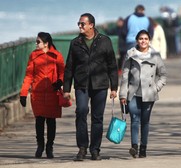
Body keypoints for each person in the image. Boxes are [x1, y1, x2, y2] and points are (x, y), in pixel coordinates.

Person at [63, 13, 118, 161]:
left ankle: (95, 149)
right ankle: (82, 148)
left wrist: (114, 87)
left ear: (91, 25)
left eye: (82, 24)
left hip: (100, 85)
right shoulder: (75, 43)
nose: (80, 26)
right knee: (81, 112)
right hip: (82, 84)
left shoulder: (104, 41)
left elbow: (112, 65)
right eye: (79, 24)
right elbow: (69, 67)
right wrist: (66, 89)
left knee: (97, 118)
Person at [119, 29, 167, 158]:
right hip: (133, 93)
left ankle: (143, 148)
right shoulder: (130, 54)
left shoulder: (155, 55)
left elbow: (162, 75)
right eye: (141, 39)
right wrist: (123, 95)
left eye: (145, 39)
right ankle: (134, 146)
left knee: (145, 121)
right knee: (134, 119)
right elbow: (125, 76)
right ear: (137, 40)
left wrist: (156, 88)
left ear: (149, 40)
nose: (143, 41)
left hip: (149, 94)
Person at [19, 32, 65, 159]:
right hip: (37, 94)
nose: (36, 43)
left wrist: (60, 81)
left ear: (46, 43)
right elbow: (29, 75)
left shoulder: (57, 56)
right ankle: (40, 145)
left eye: (38, 41)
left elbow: (63, 72)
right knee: (39, 121)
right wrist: (23, 93)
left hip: (52, 93)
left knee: (51, 121)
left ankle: (49, 147)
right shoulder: (33, 56)